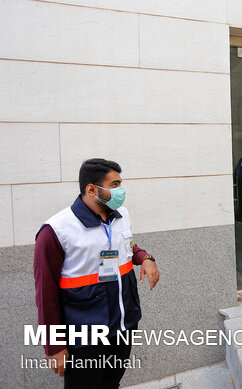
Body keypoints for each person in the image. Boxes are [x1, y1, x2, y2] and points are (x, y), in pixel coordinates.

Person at [33, 158, 160, 388]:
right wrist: (54, 346)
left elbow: (127, 244)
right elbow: (45, 294)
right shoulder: (56, 231)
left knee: (111, 384)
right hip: (85, 338)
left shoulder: (120, 215)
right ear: (91, 189)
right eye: (114, 184)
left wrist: (144, 257)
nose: (121, 191)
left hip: (123, 327)